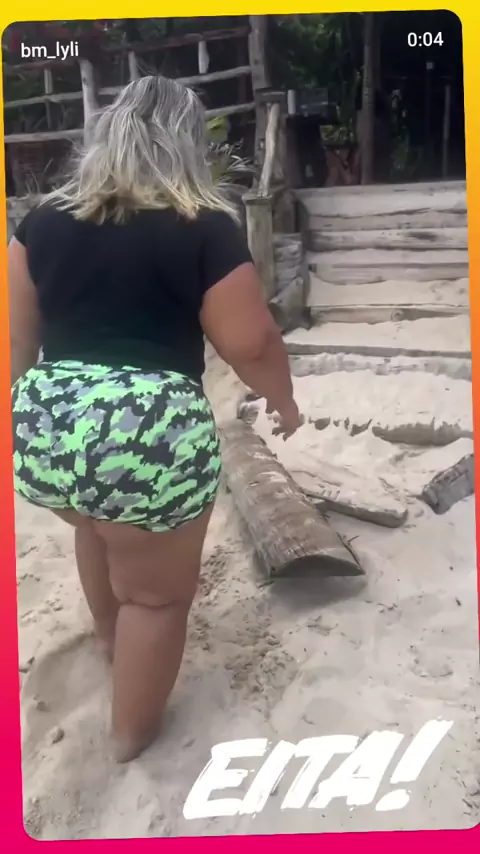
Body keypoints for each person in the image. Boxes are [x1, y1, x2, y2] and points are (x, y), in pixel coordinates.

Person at [9, 75, 302, 762]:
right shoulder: (203, 227)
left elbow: (16, 342)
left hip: (49, 427)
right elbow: (250, 343)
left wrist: (27, 424)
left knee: (94, 523)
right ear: (186, 144)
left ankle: (111, 640)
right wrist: (284, 400)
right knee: (156, 598)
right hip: (145, 434)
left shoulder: (41, 222)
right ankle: (129, 736)